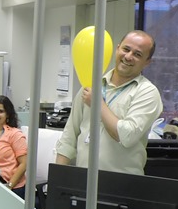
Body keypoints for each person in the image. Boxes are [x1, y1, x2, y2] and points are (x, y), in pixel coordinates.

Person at [55, 30, 163, 175]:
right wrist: (57, 178)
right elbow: (69, 137)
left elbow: (127, 136)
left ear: (147, 62)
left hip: (121, 185)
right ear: (117, 48)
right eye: (126, 49)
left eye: (137, 54)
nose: (129, 56)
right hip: (83, 180)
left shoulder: (147, 92)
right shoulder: (90, 85)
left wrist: (98, 104)